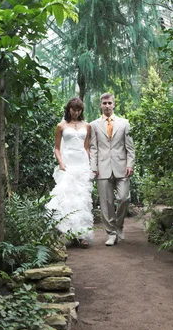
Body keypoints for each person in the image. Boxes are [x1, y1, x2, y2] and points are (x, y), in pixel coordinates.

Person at [46, 97, 94, 248]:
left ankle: (82, 235)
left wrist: (89, 162)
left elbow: (86, 147)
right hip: (67, 164)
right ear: (68, 109)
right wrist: (60, 162)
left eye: (79, 110)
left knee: (82, 199)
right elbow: (57, 148)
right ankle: (67, 232)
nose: (76, 112)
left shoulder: (86, 126)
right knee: (67, 198)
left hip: (82, 165)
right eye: (73, 109)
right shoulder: (61, 126)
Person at [90, 93, 135, 246]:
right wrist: (94, 168)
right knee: (106, 203)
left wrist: (130, 164)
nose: (107, 106)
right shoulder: (94, 125)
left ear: (114, 104)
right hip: (102, 168)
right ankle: (111, 233)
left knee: (124, 198)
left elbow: (130, 147)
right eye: (104, 103)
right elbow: (93, 148)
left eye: (109, 103)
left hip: (122, 167)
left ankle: (119, 225)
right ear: (100, 105)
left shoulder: (124, 123)